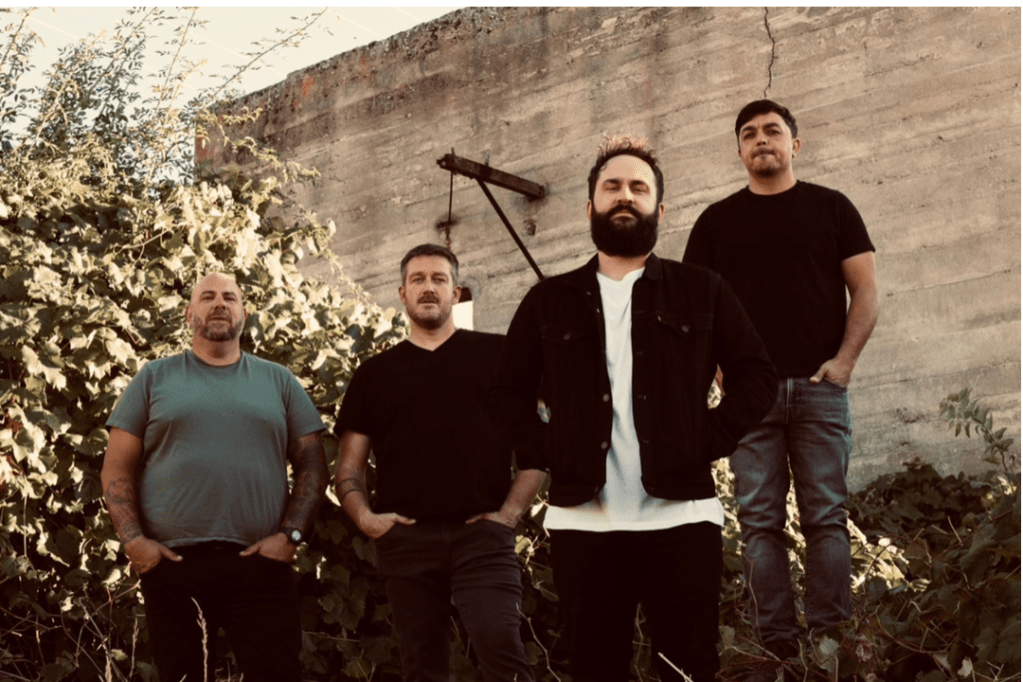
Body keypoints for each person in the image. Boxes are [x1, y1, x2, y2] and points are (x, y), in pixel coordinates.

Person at [490, 136, 777, 682]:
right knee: (597, 671)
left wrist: (708, 438)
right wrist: (548, 448)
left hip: (681, 519)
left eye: (638, 188)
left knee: (688, 669)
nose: (625, 196)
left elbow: (755, 375)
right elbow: (505, 392)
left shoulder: (702, 289)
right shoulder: (549, 300)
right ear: (591, 206)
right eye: (612, 187)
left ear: (659, 209)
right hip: (583, 523)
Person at [683, 99, 879, 677]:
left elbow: (866, 291)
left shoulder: (832, 207)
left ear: (796, 144)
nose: (761, 139)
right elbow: (698, 312)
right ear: (739, 150)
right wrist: (719, 373)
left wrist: (843, 363)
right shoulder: (715, 222)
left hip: (821, 389)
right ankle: (779, 650)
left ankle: (829, 644)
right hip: (752, 398)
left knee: (826, 517)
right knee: (760, 523)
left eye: (773, 130)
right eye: (749, 133)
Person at [102, 272, 328, 682]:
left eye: (230, 297)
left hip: (262, 564)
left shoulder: (279, 381)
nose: (220, 303)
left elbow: (314, 465)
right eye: (208, 297)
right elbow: (117, 466)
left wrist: (292, 536)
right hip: (173, 566)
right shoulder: (154, 378)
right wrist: (135, 542)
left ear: (244, 313)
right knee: (182, 676)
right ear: (190, 314)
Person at [333, 243, 544, 682]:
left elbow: (537, 447)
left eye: (438, 279)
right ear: (402, 293)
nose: (428, 288)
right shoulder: (375, 374)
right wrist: (367, 518)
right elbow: (349, 468)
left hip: (482, 537)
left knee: (503, 654)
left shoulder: (499, 356)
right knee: (422, 667)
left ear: (456, 292)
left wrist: (508, 514)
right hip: (407, 541)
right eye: (418, 280)